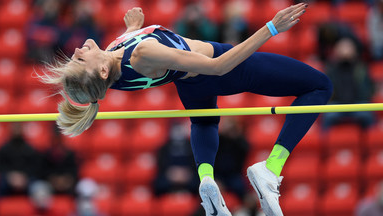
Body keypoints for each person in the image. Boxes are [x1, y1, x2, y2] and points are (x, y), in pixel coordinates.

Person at [40, 4, 333, 216]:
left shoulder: (111, 67)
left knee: (205, 122)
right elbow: (219, 67)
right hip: (219, 64)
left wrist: (132, 27)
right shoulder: (141, 56)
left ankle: (207, 180)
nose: (77, 51)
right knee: (319, 86)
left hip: (190, 84)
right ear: (102, 70)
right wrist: (271, 28)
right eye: (80, 60)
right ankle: (270, 169)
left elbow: (118, 55)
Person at [321, 37, 375, 130]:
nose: (345, 50)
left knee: (367, 115)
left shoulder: (361, 68)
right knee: (329, 116)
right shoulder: (331, 69)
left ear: (354, 50)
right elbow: (327, 90)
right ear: (336, 50)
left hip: (357, 104)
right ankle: (323, 142)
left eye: (348, 47)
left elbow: (369, 88)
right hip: (337, 105)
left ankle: (372, 142)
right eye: (342, 48)